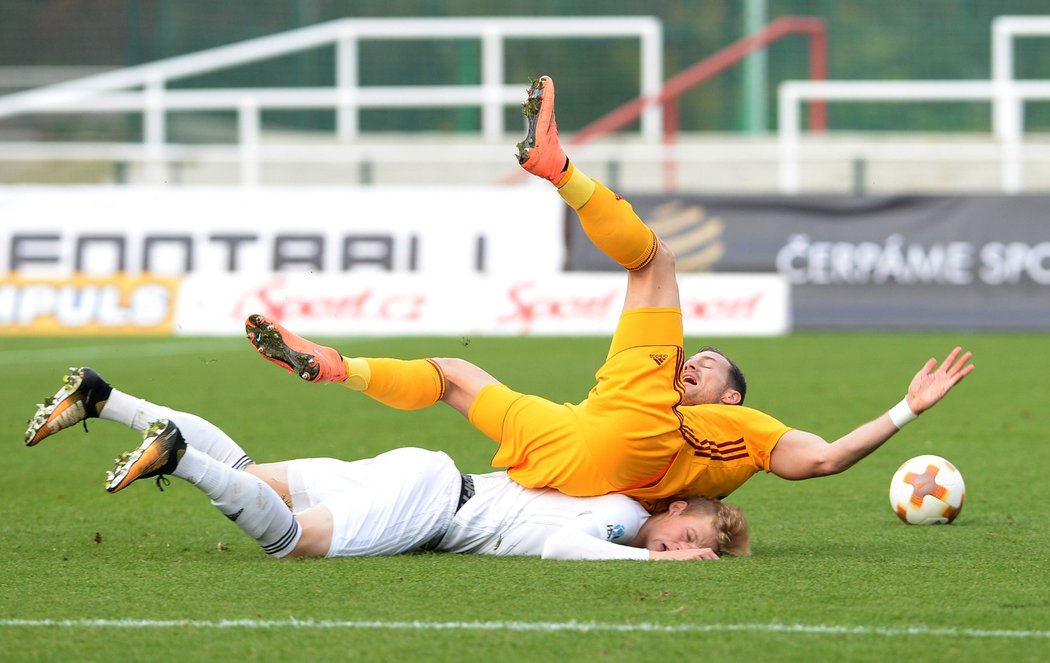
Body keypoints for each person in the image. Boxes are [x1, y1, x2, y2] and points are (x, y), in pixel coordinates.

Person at [243, 75, 975, 508]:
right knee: (452, 376)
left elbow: (823, 458)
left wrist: (907, 409)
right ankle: (338, 367)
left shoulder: (745, 430)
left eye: (709, 367)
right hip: (573, 446)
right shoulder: (715, 447)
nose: (694, 363)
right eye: (697, 358)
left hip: (634, 431)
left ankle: (560, 169)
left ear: (730, 399)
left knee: (655, 262)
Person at [24, 367, 749, 561]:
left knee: (251, 469)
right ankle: (177, 457)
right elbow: (564, 543)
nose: (676, 548)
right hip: (435, 504)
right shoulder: (626, 515)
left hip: (429, 473)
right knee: (294, 540)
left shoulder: (611, 482)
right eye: (686, 537)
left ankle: (105, 397)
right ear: (676, 510)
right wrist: (654, 563)